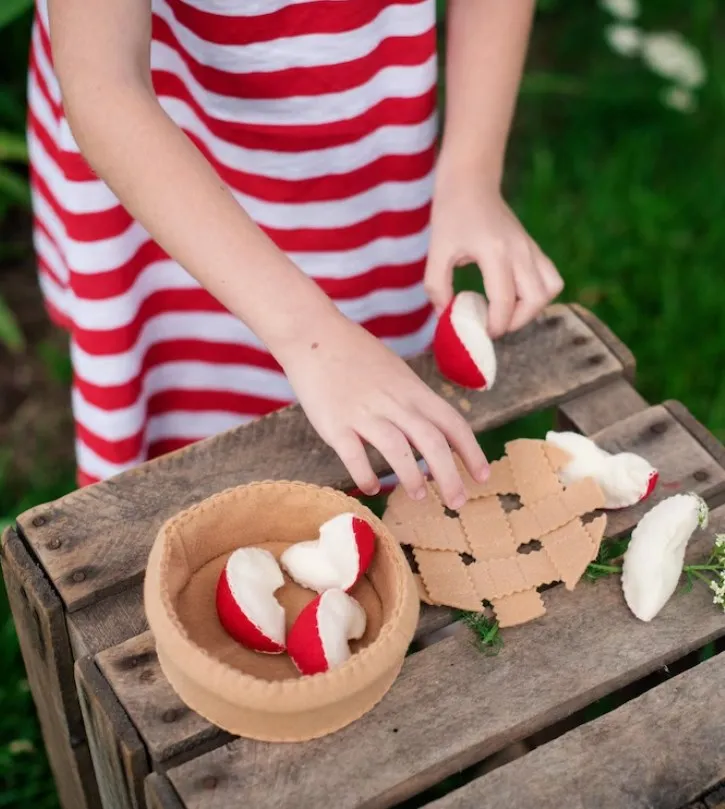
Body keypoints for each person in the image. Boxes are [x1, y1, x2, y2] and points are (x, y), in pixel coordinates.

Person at [27, 0, 563, 511]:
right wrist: (310, 334)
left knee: (365, 366)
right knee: (191, 377)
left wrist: (472, 172)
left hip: (360, 131)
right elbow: (105, 88)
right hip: (162, 155)